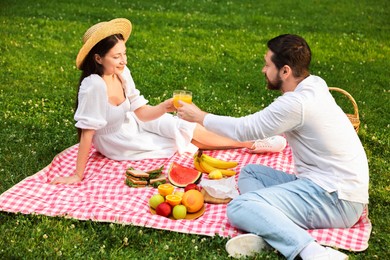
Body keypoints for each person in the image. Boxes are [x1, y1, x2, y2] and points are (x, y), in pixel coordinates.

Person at [177, 34, 368, 260]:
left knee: (239, 207)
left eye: (267, 64)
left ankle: (313, 252)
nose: (263, 70)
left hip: (337, 200)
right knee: (251, 172)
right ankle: (269, 223)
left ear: (285, 71)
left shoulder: (296, 103)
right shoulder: (313, 84)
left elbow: (244, 129)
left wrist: (199, 116)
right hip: (329, 186)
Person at [50, 18, 286, 185]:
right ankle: (249, 143)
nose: (123, 60)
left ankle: (248, 137)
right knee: (177, 141)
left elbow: (141, 113)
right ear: (98, 58)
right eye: (116, 56)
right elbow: (87, 132)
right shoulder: (93, 86)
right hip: (117, 140)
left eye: (124, 53)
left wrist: (165, 106)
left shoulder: (122, 73)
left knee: (180, 126)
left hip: (134, 122)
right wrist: (78, 174)